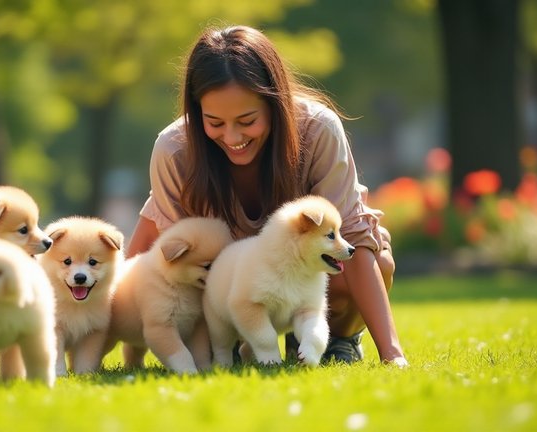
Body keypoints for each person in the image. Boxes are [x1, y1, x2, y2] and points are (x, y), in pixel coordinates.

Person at [126, 25, 408, 367]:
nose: (232, 137)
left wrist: (392, 355)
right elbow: (167, 265)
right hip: (226, 289)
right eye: (214, 122)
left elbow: (354, 238)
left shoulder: (319, 129)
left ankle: (339, 340)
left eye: (247, 120)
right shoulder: (174, 149)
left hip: (303, 276)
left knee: (379, 262)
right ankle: (228, 346)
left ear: (275, 103)